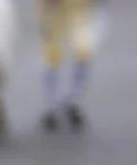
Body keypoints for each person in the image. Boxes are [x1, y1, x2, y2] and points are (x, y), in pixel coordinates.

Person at [39, 0, 99, 131]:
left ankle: (72, 99)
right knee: (52, 53)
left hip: (77, 6)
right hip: (52, 7)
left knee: (83, 49)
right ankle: (52, 104)